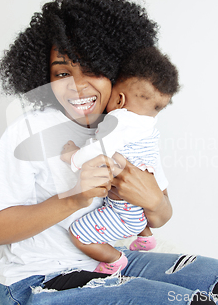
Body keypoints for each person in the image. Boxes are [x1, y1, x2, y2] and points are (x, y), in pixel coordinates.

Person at [0, 0, 218, 304]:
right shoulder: (29, 130)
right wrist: (74, 198)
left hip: (108, 262)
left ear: (116, 69)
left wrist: (153, 201)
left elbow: (160, 215)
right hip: (38, 279)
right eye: (62, 72)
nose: (77, 86)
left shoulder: (131, 127)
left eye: (92, 69)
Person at [60, 47, 180, 274]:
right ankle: (145, 236)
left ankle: (115, 260)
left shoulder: (118, 119)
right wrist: (158, 193)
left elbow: (99, 148)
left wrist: (73, 156)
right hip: (140, 212)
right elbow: (156, 173)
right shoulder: (150, 130)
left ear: (119, 98)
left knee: (78, 234)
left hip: (122, 212)